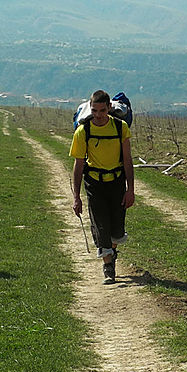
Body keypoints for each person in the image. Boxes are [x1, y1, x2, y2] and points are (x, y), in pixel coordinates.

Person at [70, 90, 135, 284]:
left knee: (117, 228)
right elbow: (78, 165)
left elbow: (127, 160)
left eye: (102, 110)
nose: (98, 115)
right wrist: (76, 197)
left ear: (109, 108)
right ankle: (108, 265)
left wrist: (130, 190)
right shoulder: (83, 131)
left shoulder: (120, 127)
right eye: (94, 110)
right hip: (94, 183)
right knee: (100, 225)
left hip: (116, 182)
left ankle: (111, 251)